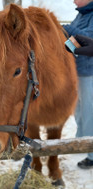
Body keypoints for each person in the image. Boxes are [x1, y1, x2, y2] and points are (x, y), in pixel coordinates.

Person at [63, 0, 93, 169]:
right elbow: (71, 43)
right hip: (77, 72)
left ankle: (91, 152)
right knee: (79, 110)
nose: (73, 0)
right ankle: (81, 139)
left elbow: (87, 38)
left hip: (89, 73)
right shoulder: (81, 15)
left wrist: (66, 30)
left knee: (90, 113)